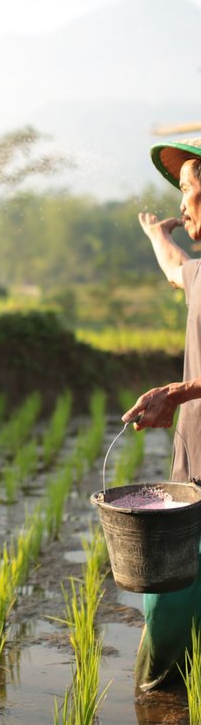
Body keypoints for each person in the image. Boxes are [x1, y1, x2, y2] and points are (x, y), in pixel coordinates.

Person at [122, 138, 201, 690]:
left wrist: (178, 392)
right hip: (194, 472)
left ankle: (161, 702)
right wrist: (158, 236)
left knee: (172, 611)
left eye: (191, 186)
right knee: (173, 594)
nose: (184, 199)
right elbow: (177, 270)